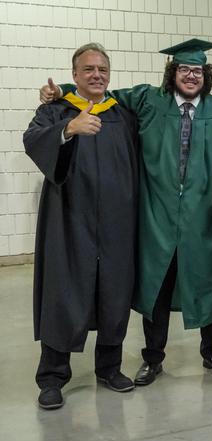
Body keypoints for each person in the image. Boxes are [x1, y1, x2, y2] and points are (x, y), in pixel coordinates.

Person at [39, 38, 212, 385]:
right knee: (157, 287)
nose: (191, 76)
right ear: (171, 72)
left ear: (206, 75)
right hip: (157, 215)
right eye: (184, 69)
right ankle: (153, 358)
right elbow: (102, 95)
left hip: (203, 215)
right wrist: (63, 92)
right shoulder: (148, 99)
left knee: (208, 285)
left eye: (197, 71)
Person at [25, 43, 138, 410]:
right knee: (64, 293)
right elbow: (32, 140)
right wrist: (68, 129)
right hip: (69, 221)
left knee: (113, 293)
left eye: (102, 69)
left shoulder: (121, 115)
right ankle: (53, 377)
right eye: (88, 69)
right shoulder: (56, 110)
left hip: (116, 224)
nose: (96, 75)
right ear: (74, 75)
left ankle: (109, 367)